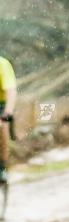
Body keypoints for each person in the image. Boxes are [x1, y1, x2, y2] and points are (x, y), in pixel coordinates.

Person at [0, 55, 16, 184]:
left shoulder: (3, 64)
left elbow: (11, 91)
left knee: (2, 128)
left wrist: (7, 114)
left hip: (2, 105)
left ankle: (2, 167)